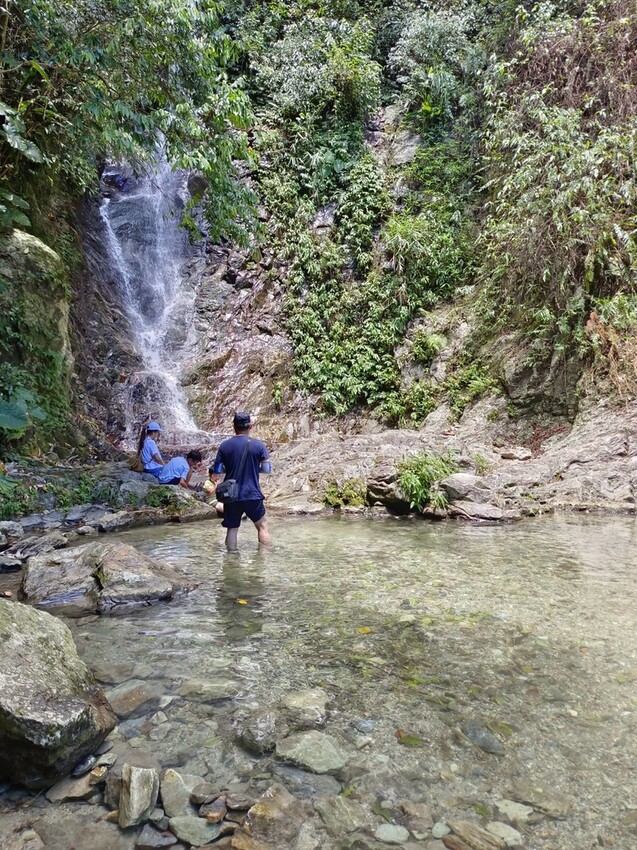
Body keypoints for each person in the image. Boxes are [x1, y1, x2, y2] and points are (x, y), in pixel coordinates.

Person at [213, 412, 272, 551]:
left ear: (234, 426)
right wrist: (253, 469)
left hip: (231, 495)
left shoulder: (224, 446)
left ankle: (231, 562)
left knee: (232, 529)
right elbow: (267, 469)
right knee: (262, 527)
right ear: (250, 426)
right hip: (252, 493)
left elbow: (218, 470)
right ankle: (264, 561)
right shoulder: (259, 445)